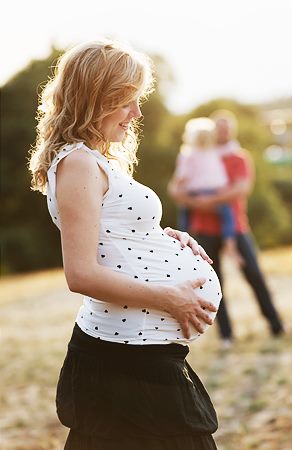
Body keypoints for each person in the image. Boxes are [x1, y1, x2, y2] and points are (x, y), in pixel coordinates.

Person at [28, 39, 222, 450]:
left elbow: (111, 237)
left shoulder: (92, 160)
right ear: (96, 99)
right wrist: (171, 298)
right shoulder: (78, 162)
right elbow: (80, 273)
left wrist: (160, 236)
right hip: (124, 356)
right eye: (126, 102)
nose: (136, 113)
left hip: (136, 351)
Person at [169, 110, 284, 346]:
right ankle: (226, 335)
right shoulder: (198, 154)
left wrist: (206, 202)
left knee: (254, 275)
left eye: (226, 128)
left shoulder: (238, 157)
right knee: (215, 283)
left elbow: (240, 190)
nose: (223, 132)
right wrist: (197, 202)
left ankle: (276, 326)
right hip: (204, 229)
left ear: (232, 130)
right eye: (218, 127)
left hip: (237, 227)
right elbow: (176, 190)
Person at [172, 117, 244, 267]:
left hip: (194, 191)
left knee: (185, 213)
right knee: (227, 215)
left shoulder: (187, 154)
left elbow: (181, 176)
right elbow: (224, 163)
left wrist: (181, 185)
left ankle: (181, 243)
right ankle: (230, 244)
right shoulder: (214, 152)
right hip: (213, 190)